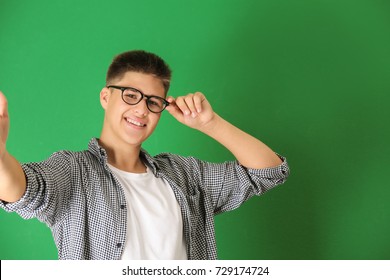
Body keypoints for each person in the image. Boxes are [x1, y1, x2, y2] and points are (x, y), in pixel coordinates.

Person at [0, 50, 289, 260]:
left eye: (153, 102)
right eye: (130, 95)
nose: (141, 110)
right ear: (105, 97)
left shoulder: (184, 175)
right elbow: (23, 190)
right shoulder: (74, 171)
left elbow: (268, 171)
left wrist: (209, 124)